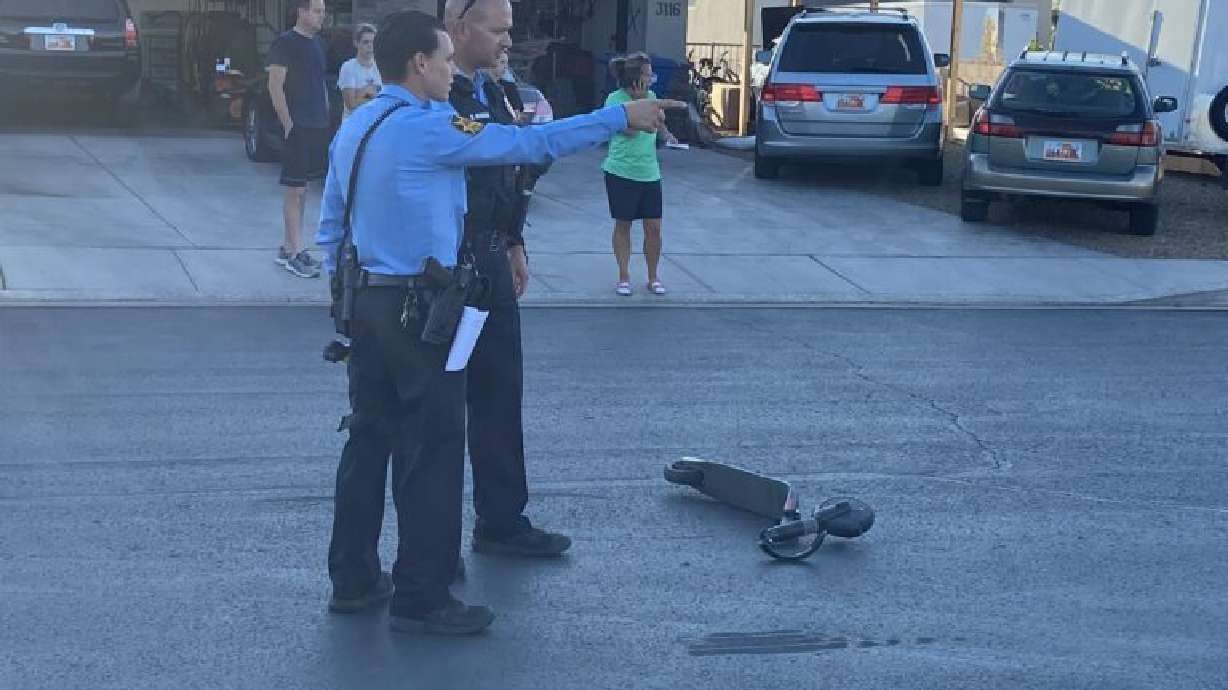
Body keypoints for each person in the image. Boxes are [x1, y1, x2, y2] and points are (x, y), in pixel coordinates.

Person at [316, 10, 682, 636]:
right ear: (420, 65)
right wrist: (618, 116)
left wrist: (348, 296)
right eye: (443, 57)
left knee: (368, 438)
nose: (451, 66)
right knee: (433, 447)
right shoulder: (426, 128)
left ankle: (353, 578)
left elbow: (331, 226)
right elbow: (528, 143)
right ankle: (422, 596)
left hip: (366, 303)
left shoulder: (358, 124)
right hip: (418, 308)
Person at [443, 0, 569, 563]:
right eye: (498, 30)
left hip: (493, 262)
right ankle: (432, 542)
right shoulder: (439, 94)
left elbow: (511, 175)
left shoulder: (495, 92)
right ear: (460, 28)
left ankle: (501, 518)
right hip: (449, 270)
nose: (507, 41)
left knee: (499, 393)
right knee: (441, 404)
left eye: (509, 31)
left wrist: (515, 241)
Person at [602, 53, 678, 297]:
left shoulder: (652, 96)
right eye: (647, 74)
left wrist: (666, 134)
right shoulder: (615, 100)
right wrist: (639, 104)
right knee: (623, 224)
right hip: (621, 171)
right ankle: (624, 276)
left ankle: (653, 277)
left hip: (649, 172)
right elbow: (630, 131)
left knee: (654, 227)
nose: (651, 78)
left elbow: (658, 121)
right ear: (636, 78)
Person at [267, 0, 328, 278]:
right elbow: (275, 85)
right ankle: (295, 253)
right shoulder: (285, 43)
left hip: (317, 124)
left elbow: (320, 83)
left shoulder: (317, 44)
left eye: (322, 11)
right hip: (298, 126)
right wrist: (288, 123)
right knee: (294, 190)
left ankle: (287, 246)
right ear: (301, 12)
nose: (321, 16)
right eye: (316, 10)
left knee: (303, 190)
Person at [338, 24, 382, 120]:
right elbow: (351, 103)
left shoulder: (380, 67)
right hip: (353, 124)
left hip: (373, 123)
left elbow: (384, 99)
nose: (370, 46)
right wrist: (373, 92)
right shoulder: (348, 67)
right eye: (366, 42)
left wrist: (362, 93)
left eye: (373, 42)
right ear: (356, 43)